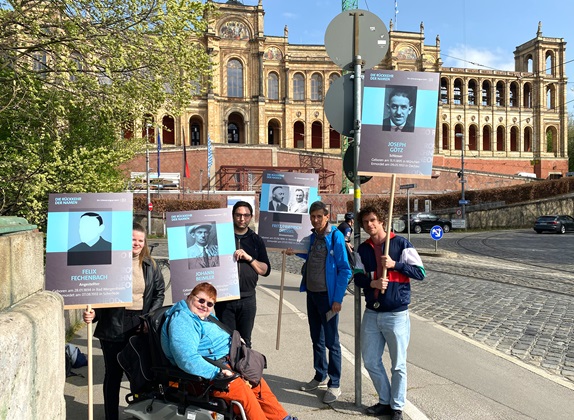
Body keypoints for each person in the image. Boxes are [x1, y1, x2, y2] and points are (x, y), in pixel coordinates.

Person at [161, 282, 297, 420]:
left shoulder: (205, 317)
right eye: (201, 300)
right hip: (209, 373)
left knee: (258, 384)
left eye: (210, 304)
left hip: (229, 361)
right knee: (244, 392)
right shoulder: (183, 320)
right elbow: (186, 358)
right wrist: (217, 372)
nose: (204, 305)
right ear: (190, 297)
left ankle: (284, 418)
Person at [83, 222, 165, 420]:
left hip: (140, 325)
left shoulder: (151, 265)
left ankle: (138, 414)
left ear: (144, 243)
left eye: (140, 240)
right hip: (113, 324)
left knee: (138, 374)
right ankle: (111, 416)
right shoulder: (110, 263)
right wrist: (93, 314)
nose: (136, 243)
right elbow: (98, 291)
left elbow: (159, 293)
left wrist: (149, 318)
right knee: (113, 374)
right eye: (132, 239)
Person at [353, 206, 425, 420]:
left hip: (396, 313)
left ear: (382, 221)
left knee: (398, 364)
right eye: (365, 222)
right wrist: (372, 282)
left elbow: (420, 272)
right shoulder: (362, 249)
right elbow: (357, 277)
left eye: (373, 220)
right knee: (371, 361)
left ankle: (397, 407)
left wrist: (396, 264)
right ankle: (385, 400)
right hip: (372, 313)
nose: (370, 225)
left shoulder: (401, 244)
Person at [285, 201, 351, 404]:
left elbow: (344, 269)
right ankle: (320, 375)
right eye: (312, 217)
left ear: (327, 216)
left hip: (328, 298)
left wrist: (338, 299)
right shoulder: (313, 237)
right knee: (317, 339)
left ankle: (335, 383)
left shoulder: (336, 237)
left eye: (319, 216)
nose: (315, 220)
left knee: (332, 342)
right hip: (312, 295)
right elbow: (311, 255)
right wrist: (294, 251)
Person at [215, 201, 271, 348]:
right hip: (225, 299)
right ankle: (228, 371)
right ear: (232, 216)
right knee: (226, 342)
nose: (242, 218)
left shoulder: (256, 240)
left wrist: (250, 258)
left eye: (246, 215)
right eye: (238, 215)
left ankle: (245, 370)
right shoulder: (222, 237)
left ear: (251, 217)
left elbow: (265, 270)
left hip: (247, 299)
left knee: (245, 341)